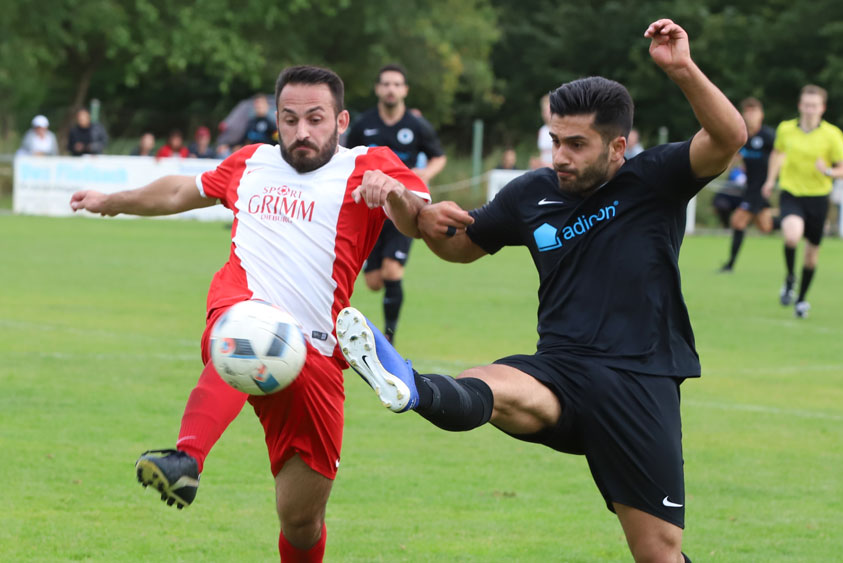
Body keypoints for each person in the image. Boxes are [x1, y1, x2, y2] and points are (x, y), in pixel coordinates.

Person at [335, 18, 745, 562]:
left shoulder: (656, 178)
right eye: (555, 140)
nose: (560, 157)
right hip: (560, 369)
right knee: (484, 384)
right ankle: (408, 385)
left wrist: (682, 69)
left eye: (577, 144)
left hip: (640, 379)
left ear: (618, 146)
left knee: (658, 555)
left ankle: (412, 385)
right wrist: (407, 207)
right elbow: (453, 243)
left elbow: (729, 138)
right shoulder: (533, 194)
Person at [69, 65, 430, 562]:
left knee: (301, 521)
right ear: (276, 121)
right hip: (243, 311)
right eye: (290, 119)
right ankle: (186, 457)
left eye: (316, 119)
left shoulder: (371, 163)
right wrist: (113, 200)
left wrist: (392, 193)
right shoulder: (251, 162)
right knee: (245, 328)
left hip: (319, 358)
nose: (302, 131)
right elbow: (180, 191)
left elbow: (418, 221)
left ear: (341, 120)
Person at [344, 63, 446, 344]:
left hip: (403, 208)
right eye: (386, 84)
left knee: (392, 271)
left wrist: (425, 174)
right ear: (378, 89)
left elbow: (438, 156)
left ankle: (389, 336)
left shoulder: (416, 126)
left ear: (405, 90)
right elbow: (346, 159)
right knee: (374, 282)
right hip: (370, 210)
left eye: (396, 84)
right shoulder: (364, 125)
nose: (391, 89)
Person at [762, 85, 843, 318]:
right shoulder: (786, 129)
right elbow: (778, 154)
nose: (810, 109)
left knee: (811, 255)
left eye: (814, 105)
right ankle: (790, 278)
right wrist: (770, 180)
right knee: (791, 236)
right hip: (791, 193)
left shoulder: (833, 135)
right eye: (806, 105)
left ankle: (801, 300)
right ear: (800, 106)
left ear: (822, 108)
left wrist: (828, 171)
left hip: (819, 198)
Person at [720, 97, 775, 272]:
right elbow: (735, 157)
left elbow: (781, 155)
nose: (750, 115)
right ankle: (796, 221)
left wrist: (772, 180)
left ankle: (730, 265)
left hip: (760, 188)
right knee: (766, 227)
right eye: (748, 112)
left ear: (762, 115)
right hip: (750, 187)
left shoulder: (767, 136)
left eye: (754, 112)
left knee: (737, 222)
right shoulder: (742, 137)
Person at [530, 94, 553, 169]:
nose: (545, 114)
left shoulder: (561, 130)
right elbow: (542, 154)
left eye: (548, 111)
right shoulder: (542, 131)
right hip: (544, 169)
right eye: (544, 111)